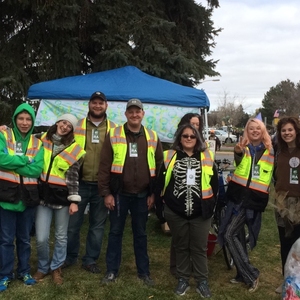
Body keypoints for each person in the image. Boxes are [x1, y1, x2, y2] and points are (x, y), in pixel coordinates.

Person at [98, 98, 163, 286]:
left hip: (143, 195)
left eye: (138, 111)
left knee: (141, 234)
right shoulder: (114, 134)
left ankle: (144, 272)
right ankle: (111, 271)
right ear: (126, 114)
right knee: (115, 232)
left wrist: (153, 194)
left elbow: (159, 167)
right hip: (119, 194)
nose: (134, 114)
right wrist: (106, 193)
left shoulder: (152, 136)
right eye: (131, 111)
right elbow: (104, 166)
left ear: (143, 114)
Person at [155, 123, 218, 297]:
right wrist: (161, 211)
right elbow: (160, 183)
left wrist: (211, 206)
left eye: (192, 136)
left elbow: (215, 185)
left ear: (197, 138)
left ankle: (202, 281)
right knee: (180, 246)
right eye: (185, 136)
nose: (189, 139)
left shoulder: (206, 156)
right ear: (179, 138)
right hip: (176, 212)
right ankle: (182, 279)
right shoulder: (170, 156)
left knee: (199, 248)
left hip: (201, 212)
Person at [218, 117, 274, 293]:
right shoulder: (243, 148)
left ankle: (251, 273)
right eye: (251, 129)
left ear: (263, 130)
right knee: (234, 235)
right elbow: (239, 162)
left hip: (253, 201)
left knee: (229, 234)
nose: (255, 131)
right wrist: (237, 152)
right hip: (237, 198)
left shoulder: (271, 151)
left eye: (258, 128)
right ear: (247, 132)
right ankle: (243, 273)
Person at [64, 91, 117, 273]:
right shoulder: (76, 125)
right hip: (79, 184)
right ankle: (70, 256)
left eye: (100, 103)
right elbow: (55, 138)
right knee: (72, 225)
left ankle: (90, 259)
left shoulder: (114, 128)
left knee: (97, 225)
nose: (97, 105)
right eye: (94, 102)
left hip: (102, 185)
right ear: (89, 105)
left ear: (106, 106)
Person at [33, 114, 85, 285]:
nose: (65, 127)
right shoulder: (40, 139)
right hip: (43, 197)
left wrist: (74, 201)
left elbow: (73, 177)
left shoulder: (74, 148)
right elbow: (21, 136)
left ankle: (56, 268)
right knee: (41, 237)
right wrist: (5, 129)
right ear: (57, 122)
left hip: (62, 198)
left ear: (72, 130)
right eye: (63, 122)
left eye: (69, 126)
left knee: (61, 236)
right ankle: (42, 267)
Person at [0, 103, 44, 292]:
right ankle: (5, 274)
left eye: (28, 119)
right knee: (6, 240)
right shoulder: (4, 135)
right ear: (15, 119)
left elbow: (37, 169)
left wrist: (11, 163)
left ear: (33, 122)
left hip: (27, 198)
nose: (24, 123)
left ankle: (24, 271)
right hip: (6, 197)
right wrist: (25, 160)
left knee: (25, 239)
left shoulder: (38, 143)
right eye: (21, 118)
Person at [272, 117, 300, 294]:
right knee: (285, 243)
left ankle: (298, 281)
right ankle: (286, 281)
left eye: (290, 130)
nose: (287, 133)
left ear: (296, 131)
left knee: (298, 243)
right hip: (282, 202)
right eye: (283, 130)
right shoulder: (278, 151)